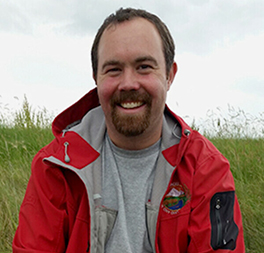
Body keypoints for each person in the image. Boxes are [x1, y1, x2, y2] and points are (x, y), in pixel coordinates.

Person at [13, 7, 245, 253]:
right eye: (113, 69)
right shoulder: (56, 165)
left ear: (169, 75)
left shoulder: (206, 169)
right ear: (96, 77)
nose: (128, 84)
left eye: (144, 66)